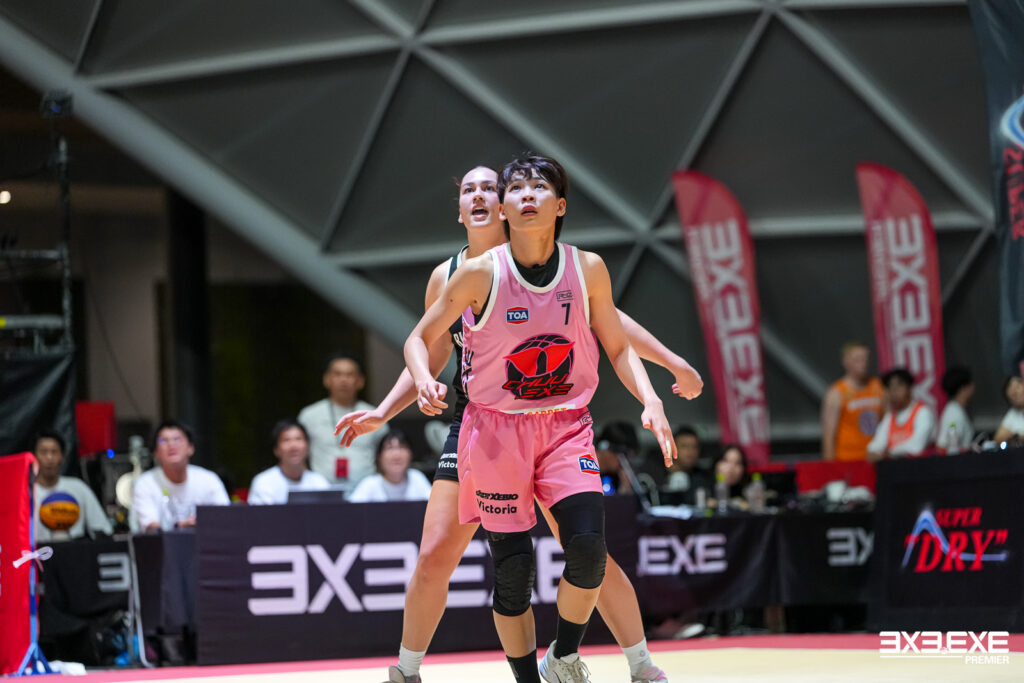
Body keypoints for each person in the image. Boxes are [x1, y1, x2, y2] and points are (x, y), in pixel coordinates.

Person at [339, 164, 699, 683]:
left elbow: (609, 324)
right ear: (460, 209)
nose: (481, 196)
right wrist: (384, 410)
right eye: (470, 189)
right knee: (439, 555)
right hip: (481, 421)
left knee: (588, 549)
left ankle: (638, 663)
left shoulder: (554, 258)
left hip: (554, 421)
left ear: (508, 206)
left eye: (491, 187)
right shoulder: (456, 274)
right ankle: (407, 669)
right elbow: (429, 351)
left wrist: (669, 366)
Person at [298, 352, 383, 489]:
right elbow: (299, 455)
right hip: (320, 490)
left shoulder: (374, 415)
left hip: (365, 492)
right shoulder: (309, 416)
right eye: (337, 374)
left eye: (349, 375)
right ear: (326, 379)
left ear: (360, 381)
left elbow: (384, 457)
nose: (343, 380)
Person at [132, 420, 230, 531]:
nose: (171, 444)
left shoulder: (209, 480)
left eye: (177, 439)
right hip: (164, 542)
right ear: (156, 452)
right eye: (163, 440)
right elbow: (150, 528)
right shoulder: (145, 484)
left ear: (190, 448)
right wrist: (179, 527)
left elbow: (226, 518)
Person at [33, 430, 112, 542]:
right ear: (34, 456)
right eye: (43, 452)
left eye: (54, 452)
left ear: (62, 457)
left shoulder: (78, 487)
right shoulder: (25, 492)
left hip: (75, 549)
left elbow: (102, 529)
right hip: (38, 550)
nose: (49, 458)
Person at [820, 341, 885, 462]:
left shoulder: (878, 387)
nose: (864, 363)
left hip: (875, 459)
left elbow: (887, 422)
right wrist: (831, 466)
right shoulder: (837, 392)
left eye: (866, 359)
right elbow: (829, 435)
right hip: (848, 460)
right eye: (858, 359)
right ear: (846, 362)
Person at [248, 419, 330, 505]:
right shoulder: (263, 482)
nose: (293, 446)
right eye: (286, 440)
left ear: (307, 446)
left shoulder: (319, 482)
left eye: (298, 439)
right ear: (276, 449)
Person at [866, 368, 936, 462]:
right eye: (890, 388)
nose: (893, 392)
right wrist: (876, 453)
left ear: (910, 388)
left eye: (898, 386)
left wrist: (888, 453)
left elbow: (916, 447)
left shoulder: (923, 413)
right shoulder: (889, 418)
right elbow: (874, 447)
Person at [349, 429, 433, 502]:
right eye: (390, 448)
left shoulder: (417, 478)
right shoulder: (369, 484)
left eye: (402, 447)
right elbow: (351, 511)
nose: (396, 454)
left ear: (411, 454)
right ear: (379, 456)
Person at [663, 425, 712, 498]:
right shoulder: (656, 476)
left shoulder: (703, 478)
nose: (690, 452)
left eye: (694, 447)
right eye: (684, 446)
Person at [935, 366, 975, 454]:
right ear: (963, 388)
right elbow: (951, 446)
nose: (973, 387)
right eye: (970, 384)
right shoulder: (954, 414)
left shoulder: (957, 410)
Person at [993, 376, 1024, 445]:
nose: (1017, 394)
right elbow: (997, 439)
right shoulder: (1013, 414)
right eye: (1013, 395)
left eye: (1017, 387)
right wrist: (1017, 437)